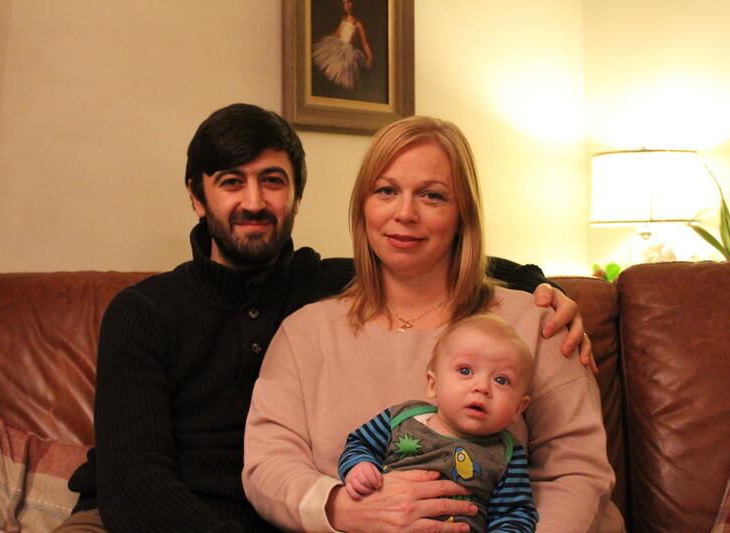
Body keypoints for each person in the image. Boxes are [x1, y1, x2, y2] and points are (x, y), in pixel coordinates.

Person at [55, 103, 593, 532]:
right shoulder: (147, 312)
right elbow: (135, 486)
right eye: (230, 182)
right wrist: (339, 509)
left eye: (272, 180)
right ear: (197, 196)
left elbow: (434, 256)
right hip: (140, 516)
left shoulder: (317, 281)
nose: (254, 201)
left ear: (296, 197)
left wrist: (546, 288)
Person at [242, 115, 624, 532]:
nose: (405, 213)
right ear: (363, 208)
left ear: (463, 214)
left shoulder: (537, 324)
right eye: (386, 191)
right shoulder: (305, 332)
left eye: (432, 196)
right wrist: (346, 510)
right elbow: (268, 464)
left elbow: (576, 472)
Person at [338, 314, 538, 532]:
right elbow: (359, 444)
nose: (482, 387)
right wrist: (359, 467)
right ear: (433, 384)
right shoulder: (402, 418)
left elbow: (515, 513)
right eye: (465, 371)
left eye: (501, 380)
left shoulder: (507, 453)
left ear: (518, 407)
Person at [312, 0, 373, 89]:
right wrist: (326, 38)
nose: (346, 5)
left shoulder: (358, 24)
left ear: (354, 4)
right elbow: (338, 33)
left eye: (349, 2)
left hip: (348, 53)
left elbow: (365, 42)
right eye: (344, 3)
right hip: (338, 47)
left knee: (344, 77)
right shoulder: (344, 18)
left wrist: (370, 57)